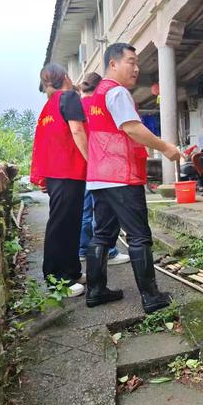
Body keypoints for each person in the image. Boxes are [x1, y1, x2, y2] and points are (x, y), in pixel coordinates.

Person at [85, 42, 182, 312]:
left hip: (100, 177)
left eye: (137, 62)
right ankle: (151, 297)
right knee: (139, 236)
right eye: (131, 61)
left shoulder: (97, 94)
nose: (136, 68)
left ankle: (95, 290)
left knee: (102, 234)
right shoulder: (116, 92)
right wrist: (166, 148)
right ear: (113, 64)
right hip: (121, 176)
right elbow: (132, 129)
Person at [30, 63, 88, 297]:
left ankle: (71, 270)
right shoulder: (69, 97)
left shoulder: (48, 106)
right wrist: (92, 161)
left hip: (56, 173)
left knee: (69, 222)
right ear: (65, 77)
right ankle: (56, 279)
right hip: (68, 170)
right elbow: (77, 131)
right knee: (62, 224)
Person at [78, 73, 129, 265]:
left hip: (82, 165)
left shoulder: (78, 105)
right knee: (103, 213)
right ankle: (110, 252)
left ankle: (83, 249)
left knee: (85, 211)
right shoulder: (99, 103)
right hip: (100, 165)